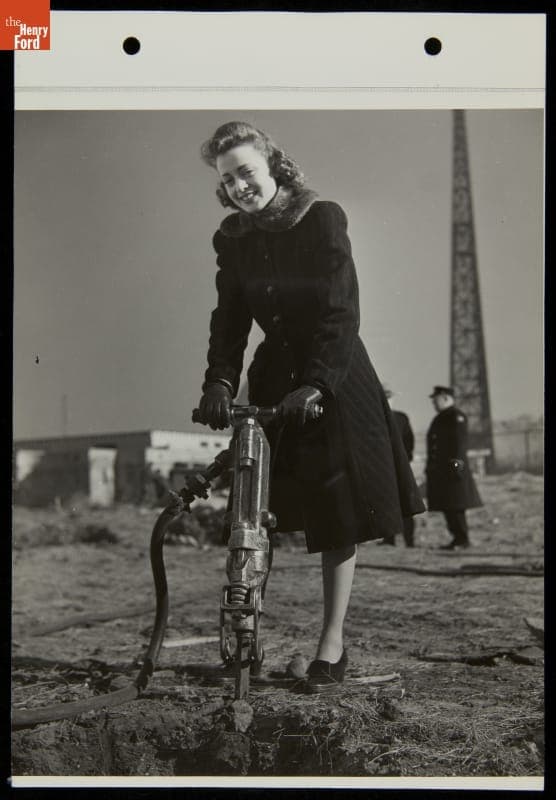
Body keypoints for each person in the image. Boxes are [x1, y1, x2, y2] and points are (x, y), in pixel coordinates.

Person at [195, 121, 425, 692]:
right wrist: (220, 382)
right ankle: (246, 639)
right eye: (229, 179)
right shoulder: (234, 239)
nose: (241, 186)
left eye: (247, 172)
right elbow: (229, 321)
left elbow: (340, 311)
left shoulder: (321, 218)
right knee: (254, 512)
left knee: (335, 511)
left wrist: (318, 383)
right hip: (275, 379)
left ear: (273, 165)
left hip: (334, 375)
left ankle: (331, 645)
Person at [425, 386, 483, 549]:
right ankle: (457, 538)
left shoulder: (455, 417)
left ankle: (463, 539)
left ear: (445, 398)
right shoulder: (440, 418)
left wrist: (456, 468)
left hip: (453, 470)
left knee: (456, 505)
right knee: (448, 505)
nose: (433, 404)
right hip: (442, 471)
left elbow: (459, 446)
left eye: (435, 400)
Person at [384, 387, 416, 547]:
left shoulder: (401, 418)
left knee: (404, 502)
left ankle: (408, 540)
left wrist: (406, 459)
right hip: (387, 467)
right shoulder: (377, 415)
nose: (389, 400)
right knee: (389, 502)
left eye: (390, 397)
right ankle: (391, 539)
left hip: (397, 466)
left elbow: (409, 441)